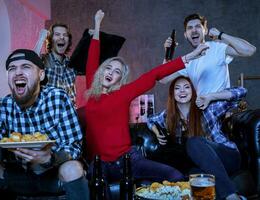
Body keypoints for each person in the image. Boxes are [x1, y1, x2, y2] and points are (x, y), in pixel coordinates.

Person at [85, 10, 208, 187]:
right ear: (101, 71)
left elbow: (154, 74)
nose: (111, 73)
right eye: (108, 68)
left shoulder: (123, 93)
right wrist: (97, 24)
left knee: (175, 175)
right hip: (99, 164)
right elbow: (92, 57)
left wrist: (189, 56)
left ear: (120, 78)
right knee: (94, 185)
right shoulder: (91, 90)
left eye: (117, 71)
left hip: (128, 160)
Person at [0, 49, 89, 200]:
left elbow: (74, 147)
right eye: (12, 68)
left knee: (73, 168)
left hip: (53, 174)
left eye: (26, 67)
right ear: (8, 76)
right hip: (16, 176)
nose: (18, 72)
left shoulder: (58, 98)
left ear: (41, 75)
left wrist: (49, 159)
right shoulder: (1, 105)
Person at [148, 76, 247, 200]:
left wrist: (211, 96)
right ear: (172, 94)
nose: (182, 91)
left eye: (186, 87)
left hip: (228, 157)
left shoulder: (208, 108)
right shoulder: (168, 117)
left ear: (193, 91)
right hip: (206, 166)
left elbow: (242, 92)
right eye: (177, 88)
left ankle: (231, 196)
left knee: (194, 142)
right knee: (194, 174)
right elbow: (150, 119)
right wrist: (156, 132)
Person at [160, 13, 256, 96]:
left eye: (198, 26)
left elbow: (249, 50)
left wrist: (221, 35)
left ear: (205, 30)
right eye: (190, 28)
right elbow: (163, 79)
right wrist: (168, 54)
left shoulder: (217, 47)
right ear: (185, 35)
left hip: (222, 111)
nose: (194, 30)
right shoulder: (188, 60)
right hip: (202, 113)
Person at [34, 23, 77, 107]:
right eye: (57, 34)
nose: (62, 37)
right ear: (50, 39)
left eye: (65, 35)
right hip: (47, 113)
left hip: (68, 115)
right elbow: (31, 62)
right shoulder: (43, 60)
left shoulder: (72, 62)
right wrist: (41, 38)